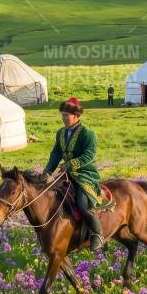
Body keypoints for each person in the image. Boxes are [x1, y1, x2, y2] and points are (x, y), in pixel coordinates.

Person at [44, 96, 105, 252]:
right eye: (62, 115)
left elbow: (89, 154)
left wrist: (71, 164)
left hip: (85, 175)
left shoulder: (88, 134)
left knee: (83, 204)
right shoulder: (61, 133)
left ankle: (97, 234)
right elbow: (56, 153)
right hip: (66, 174)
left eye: (66, 115)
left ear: (76, 116)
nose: (63, 118)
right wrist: (48, 171)